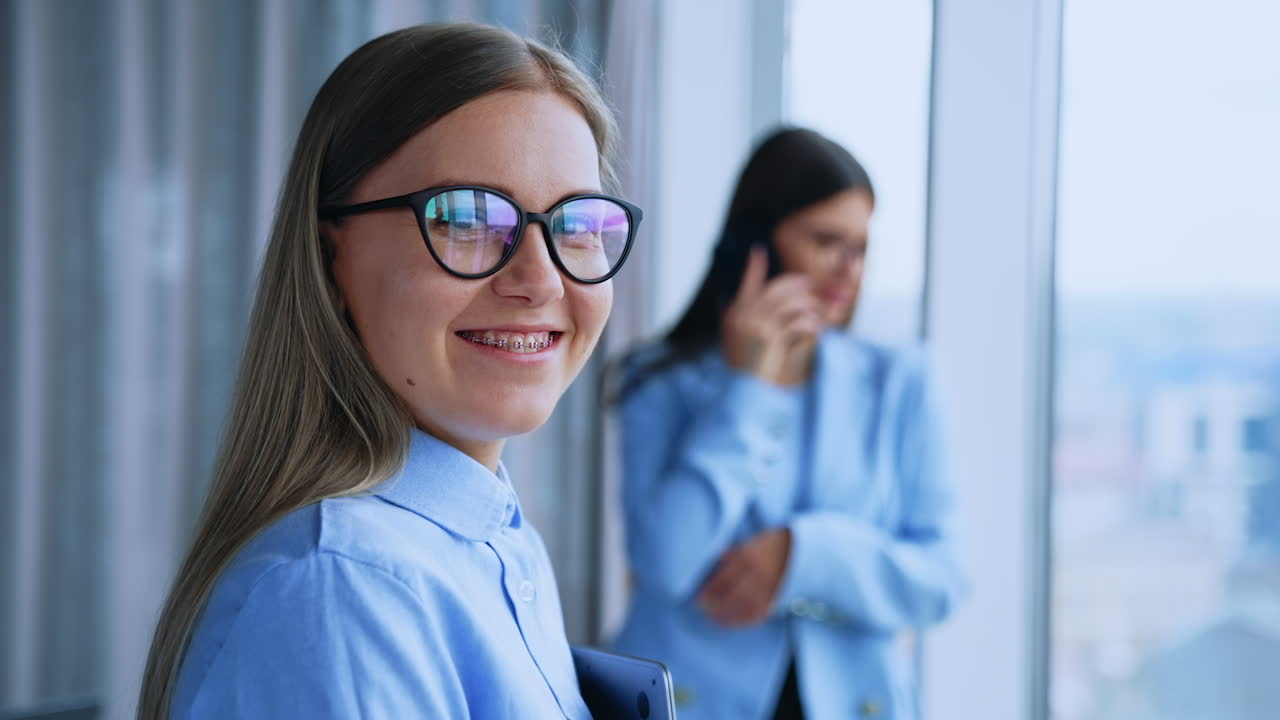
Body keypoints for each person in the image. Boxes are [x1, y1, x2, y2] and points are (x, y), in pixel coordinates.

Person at [138, 23, 640, 719]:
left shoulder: (496, 543)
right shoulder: (345, 590)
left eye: (576, 224)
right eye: (465, 218)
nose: (542, 280)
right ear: (330, 262)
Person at [609, 128, 964, 720]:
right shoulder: (658, 380)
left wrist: (806, 554)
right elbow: (666, 561)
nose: (849, 270)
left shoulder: (901, 382)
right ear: (757, 243)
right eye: (827, 241)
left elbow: (941, 580)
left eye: (861, 247)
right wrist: (751, 389)